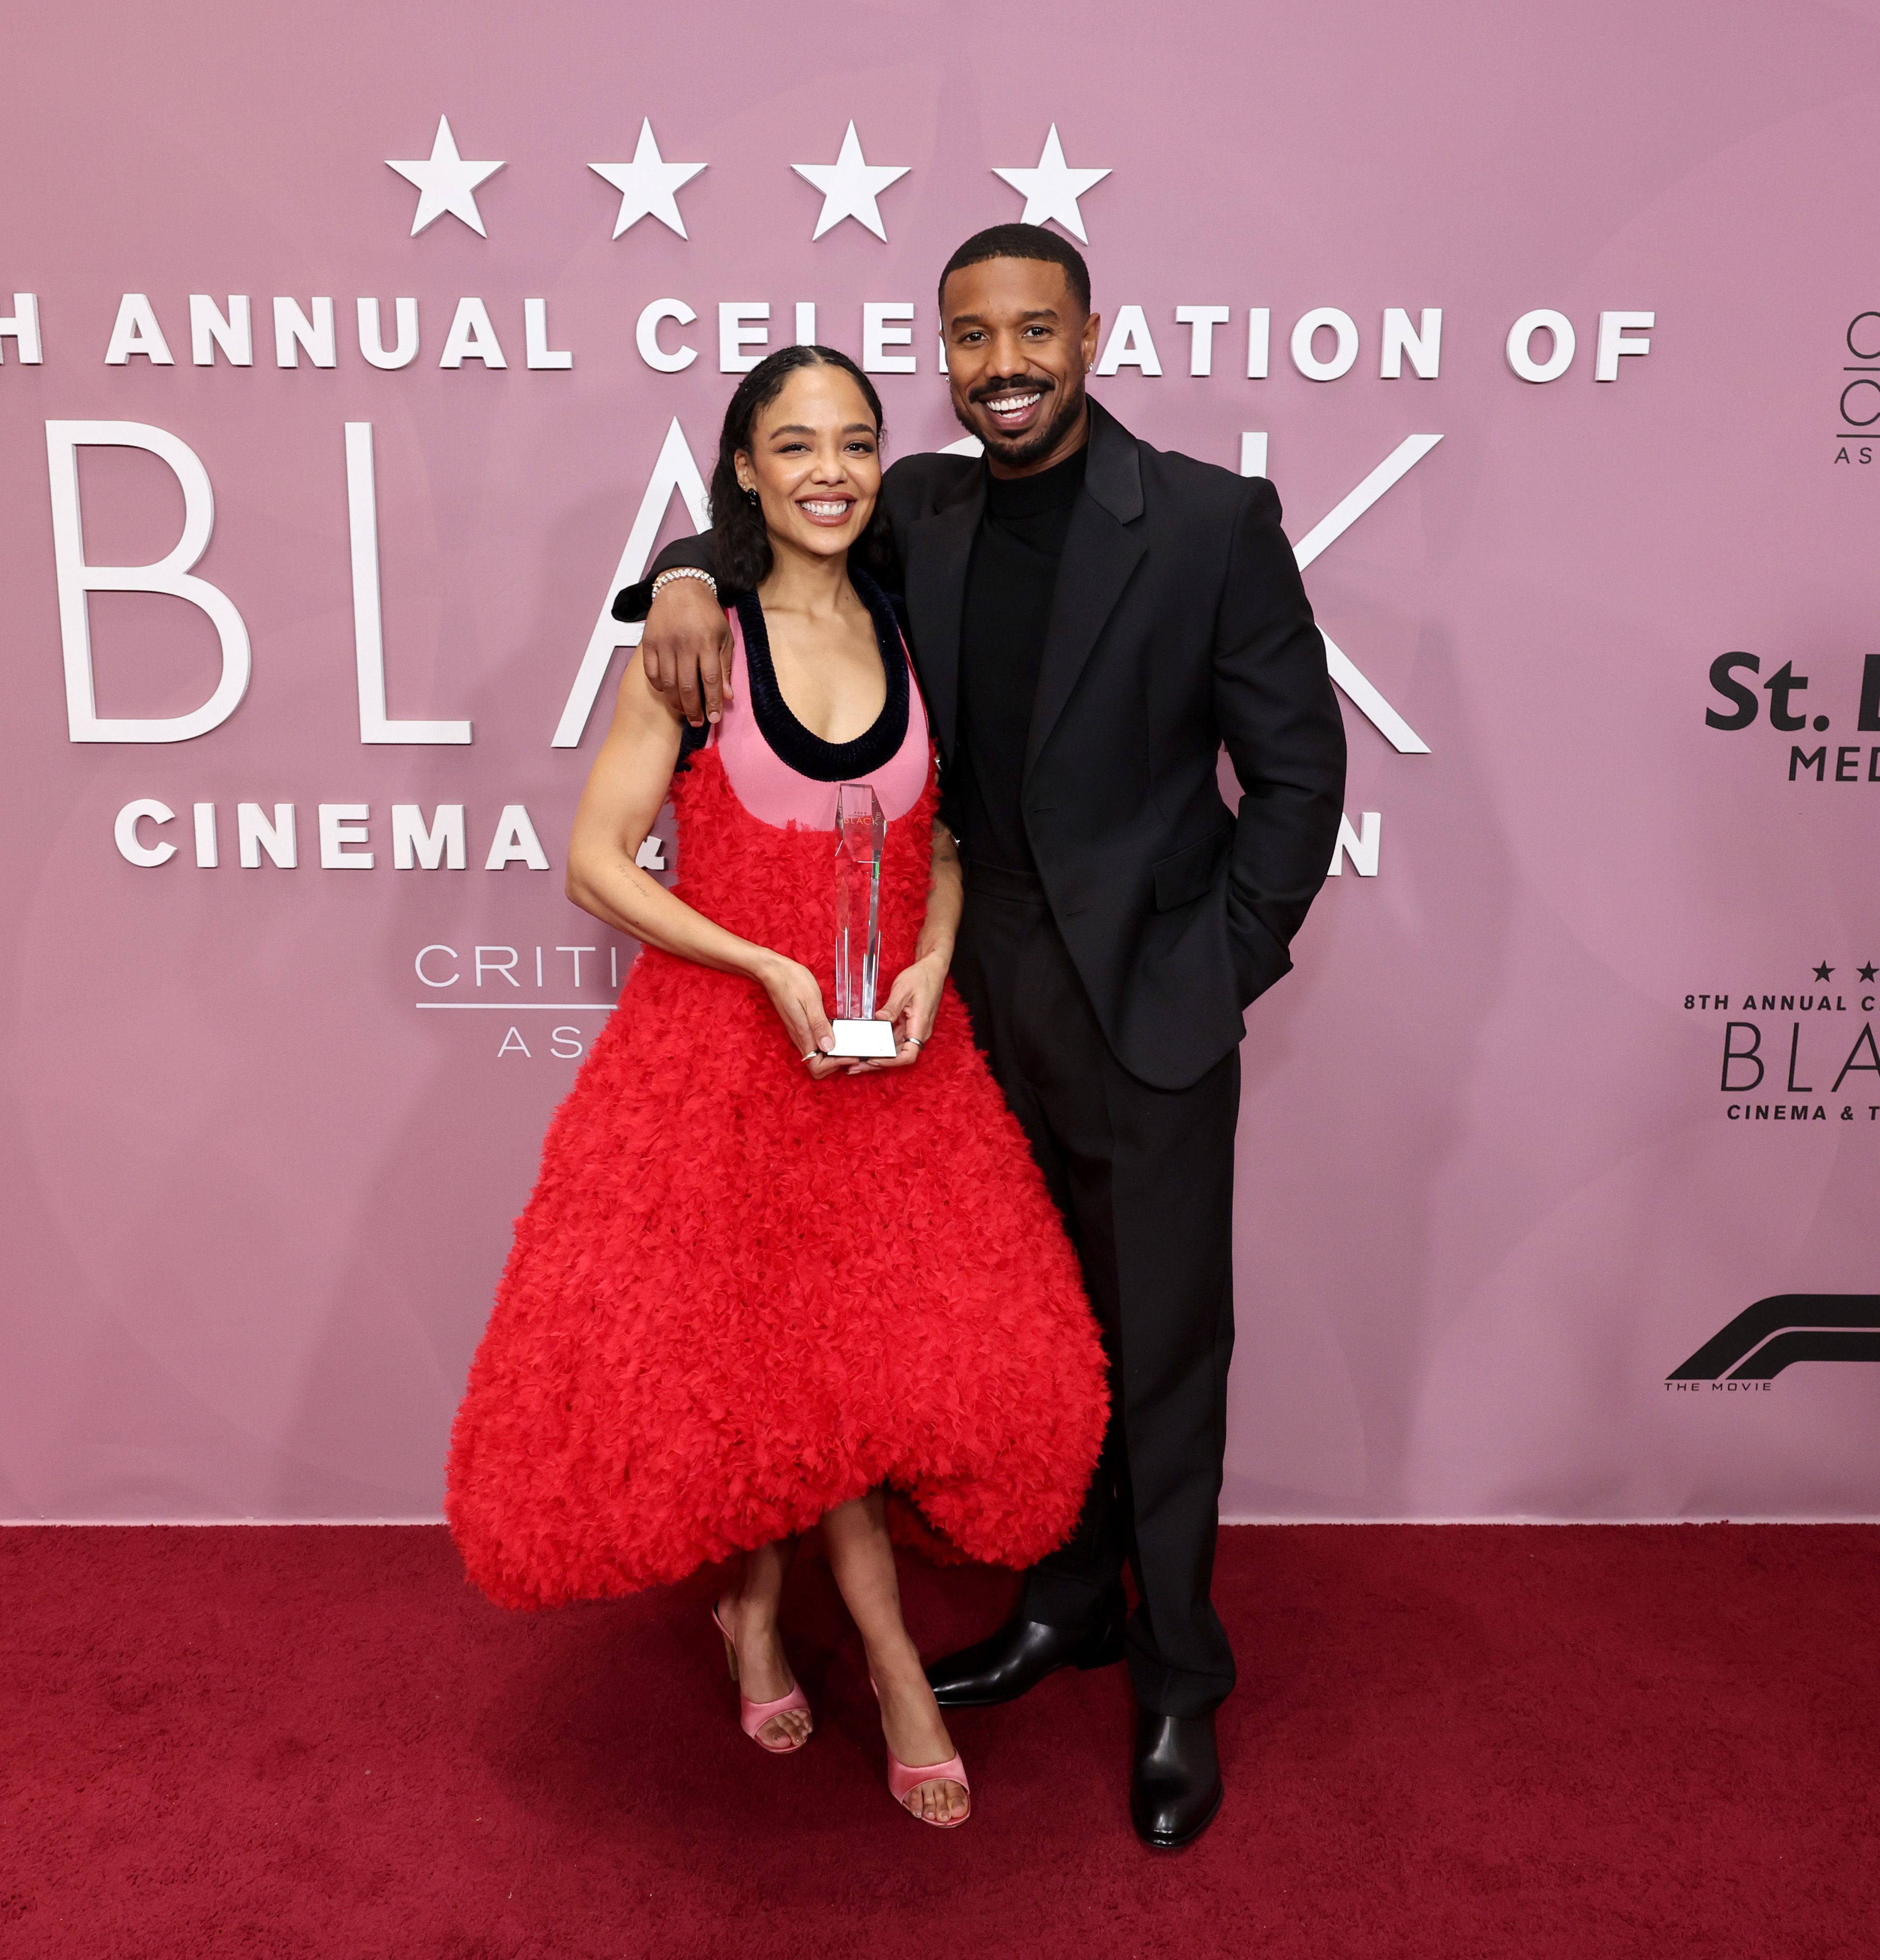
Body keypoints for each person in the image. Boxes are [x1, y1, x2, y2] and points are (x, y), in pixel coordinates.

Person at [620, 225, 1348, 1849]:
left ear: (1091, 335)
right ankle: (1068, 1603)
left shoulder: (1209, 524)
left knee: (1158, 1351)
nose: (1001, 363)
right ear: (940, 351)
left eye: (1032, 329)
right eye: (968, 337)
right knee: (1035, 1339)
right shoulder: (925, 509)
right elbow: (774, 526)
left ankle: (1175, 1676)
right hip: (953, 994)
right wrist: (679, 562)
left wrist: (1213, 968)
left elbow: (1298, 775)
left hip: (1139, 997)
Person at [445, 344, 1109, 1832]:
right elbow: (595, 860)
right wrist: (764, 965)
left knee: (862, 1373)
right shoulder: (695, 644)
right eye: (793, 443)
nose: (829, 468)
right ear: (741, 469)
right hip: (727, 1066)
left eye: (855, 441)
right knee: (793, 1378)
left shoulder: (908, 613)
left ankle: (752, 1616)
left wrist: (934, 957)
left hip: (891, 1065)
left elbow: (936, 835)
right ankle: (888, 1661)